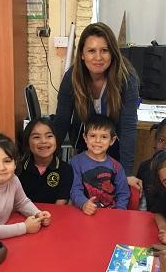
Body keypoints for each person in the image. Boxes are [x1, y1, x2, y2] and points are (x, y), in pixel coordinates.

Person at [53, 22, 141, 190]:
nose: (98, 57)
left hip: (115, 147)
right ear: (82, 55)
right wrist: (52, 162)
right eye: (91, 51)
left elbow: (129, 126)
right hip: (85, 146)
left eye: (105, 50)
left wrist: (127, 172)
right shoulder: (71, 78)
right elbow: (61, 121)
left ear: (113, 53)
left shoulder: (127, 78)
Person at [70, 115, 130, 215]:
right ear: (85, 138)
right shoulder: (75, 162)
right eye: (93, 136)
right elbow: (75, 189)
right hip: (83, 212)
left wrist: (119, 212)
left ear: (112, 140)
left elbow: (123, 193)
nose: (98, 141)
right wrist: (84, 204)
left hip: (111, 215)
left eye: (104, 137)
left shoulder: (117, 166)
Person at [18, 118, 73, 204]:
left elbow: (60, 204)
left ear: (56, 140)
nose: (43, 141)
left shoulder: (66, 170)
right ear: (27, 142)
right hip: (25, 215)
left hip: (54, 215)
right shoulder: (18, 169)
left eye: (49, 136)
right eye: (36, 137)